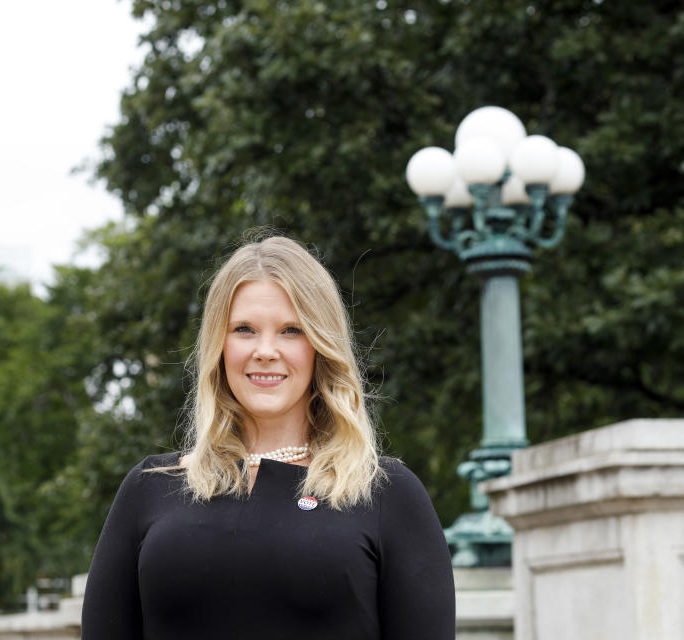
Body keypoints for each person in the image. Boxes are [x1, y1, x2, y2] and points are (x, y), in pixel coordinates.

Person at [81, 235, 455, 639]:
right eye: (244, 329)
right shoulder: (150, 488)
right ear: (218, 346)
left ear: (320, 345)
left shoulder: (386, 494)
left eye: (291, 330)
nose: (265, 350)